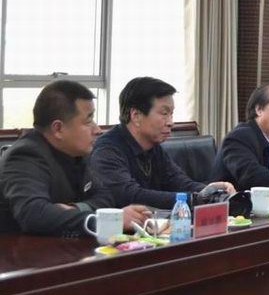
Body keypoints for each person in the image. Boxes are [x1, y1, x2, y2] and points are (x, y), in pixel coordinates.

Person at [0, 80, 148, 235]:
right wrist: (108, 221)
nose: (97, 129)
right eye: (88, 120)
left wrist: (75, 208)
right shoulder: (25, 156)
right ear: (58, 129)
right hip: (21, 249)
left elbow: (105, 197)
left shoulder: (76, 152)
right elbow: (34, 215)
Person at [90, 77, 235, 209]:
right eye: (164, 113)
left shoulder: (153, 147)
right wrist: (194, 199)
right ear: (136, 116)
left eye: (171, 114)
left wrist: (211, 191)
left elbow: (178, 181)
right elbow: (130, 195)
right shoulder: (107, 150)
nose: (171, 122)